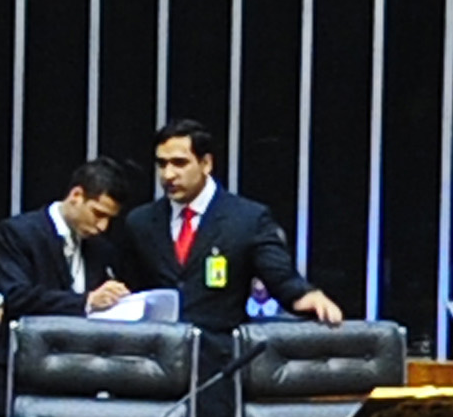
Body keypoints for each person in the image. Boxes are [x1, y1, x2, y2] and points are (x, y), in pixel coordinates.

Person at [139, 118, 340, 317]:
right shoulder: (141, 222)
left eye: (179, 163)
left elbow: (280, 276)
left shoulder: (247, 219)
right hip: (160, 345)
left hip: (218, 345)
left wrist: (306, 295)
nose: (168, 174)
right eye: (162, 164)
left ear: (206, 163)